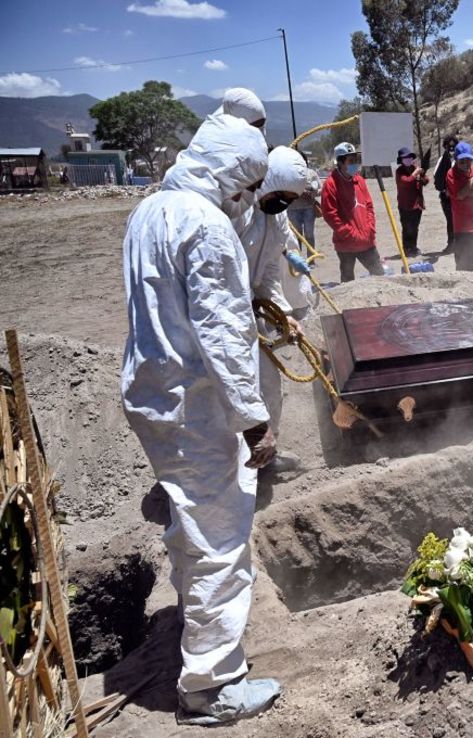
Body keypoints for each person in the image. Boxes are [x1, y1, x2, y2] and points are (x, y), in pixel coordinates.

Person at [120, 111, 281, 725]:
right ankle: (210, 686)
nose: (243, 201)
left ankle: (193, 605)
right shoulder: (207, 224)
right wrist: (252, 418)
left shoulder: (150, 210)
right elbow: (223, 331)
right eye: (241, 188)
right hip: (196, 404)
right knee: (220, 540)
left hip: (155, 397)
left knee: (194, 521)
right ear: (226, 175)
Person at [227, 146, 310, 463]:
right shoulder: (238, 215)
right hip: (228, 313)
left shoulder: (277, 219)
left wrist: (284, 314)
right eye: (281, 196)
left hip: (255, 310)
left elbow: (270, 271)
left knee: (269, 387)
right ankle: (234, 462)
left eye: (290, 199)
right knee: (233, 388)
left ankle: (267, 455)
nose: (283, 204)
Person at [321, 141, 382, 281]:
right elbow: (330, 215)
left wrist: (370, 229)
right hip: (346, 244)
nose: (355, 163)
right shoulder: (330, 184)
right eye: (351, 160)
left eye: (356, 159)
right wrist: (350, 234)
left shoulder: (359, 180)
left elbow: (369, 207)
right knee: (348, 279)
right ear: (341, 162)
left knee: (379, 274)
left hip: (367, 241)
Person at [445, 142, 473, 272]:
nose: (465, 164)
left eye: (468, 160)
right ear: (456, 160)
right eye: (461, 161)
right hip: (462, 227)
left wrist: (470, 193)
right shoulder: (451, 174)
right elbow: (459, 195)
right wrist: (471, 183)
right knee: (463, 263)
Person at [394, 147, 427, 258]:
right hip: (405, 205)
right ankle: (407, 248)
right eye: (405, 158)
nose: (408, 159)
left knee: (415, 227)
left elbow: (426, 180)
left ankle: (414, 247)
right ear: (401, 160)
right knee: (407, 227)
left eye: (409, 157)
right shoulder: (399, 171)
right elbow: (406, 181)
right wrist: (415, 173)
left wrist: (422, 175)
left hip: (417, 204)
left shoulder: (415, 168)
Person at [286, 150, 320, 249]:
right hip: (292, 209)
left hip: (309, 208)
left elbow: (320, 189)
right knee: (296, 235)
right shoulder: (288, 174)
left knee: (309, 234)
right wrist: (298, 192)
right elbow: (283, 190)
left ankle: (311, 261)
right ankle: (299, 261)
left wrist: (312, 193)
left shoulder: (311, 173)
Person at [433, 134, 458, 254]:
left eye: (454, 146)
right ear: (445, 147)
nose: (451, 149)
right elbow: (436, 176)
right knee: (450, 220)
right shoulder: (442, 160)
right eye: (449, 146)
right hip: (446, 196)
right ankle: (451, 244)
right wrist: (445, 188)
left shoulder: (461, 159)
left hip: (459, 196)